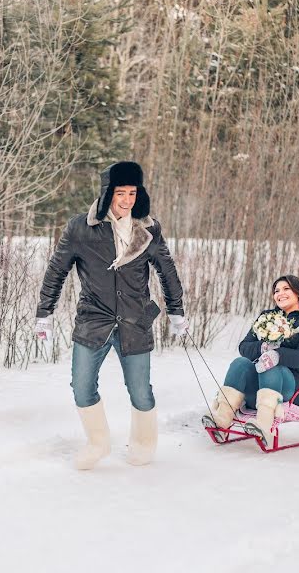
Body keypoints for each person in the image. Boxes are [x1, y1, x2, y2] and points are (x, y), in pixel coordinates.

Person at [34, 161, 187, 470]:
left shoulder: (148, 228)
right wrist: (44, 313)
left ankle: (144, 444)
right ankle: (97, 442)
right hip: (94, 320)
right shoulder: (81, 227)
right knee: (81, 386)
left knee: (141, 391)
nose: (127, 199)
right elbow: (56, 271)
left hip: (135, 321)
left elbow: (166, 269)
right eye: (121, 192)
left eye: (133, 192)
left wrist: (176, 309)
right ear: (107, 193)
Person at [205, 275, 299, 445]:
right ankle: (222, 420)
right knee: (241, 363)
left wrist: (278, 355)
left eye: (286, 289)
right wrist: (262, 348)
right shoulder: (267, 317)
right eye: (276, 291)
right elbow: (244, 346)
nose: (280, 293)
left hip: (296, 388)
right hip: (261, 384)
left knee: (271, 367)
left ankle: (264, 426)